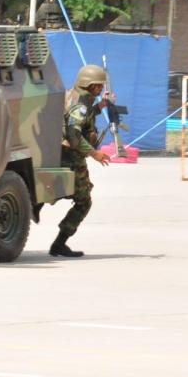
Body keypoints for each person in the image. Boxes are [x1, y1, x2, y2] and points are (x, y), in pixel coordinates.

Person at [51, 64, 113, 257]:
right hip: (72, 159)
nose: (101, 89)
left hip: (61, 155)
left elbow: (80, 116)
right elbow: (73, 135)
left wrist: (100, 107)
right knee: (84, 202)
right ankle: (59, 244)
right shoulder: (80, 107)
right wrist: (94, 153)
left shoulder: (76, 97)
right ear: (91, 85)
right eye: (99, 86)